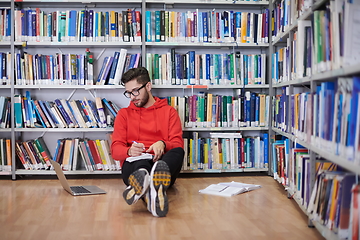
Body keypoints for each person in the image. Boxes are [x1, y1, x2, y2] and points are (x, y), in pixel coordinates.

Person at [111, 67, 184, 217]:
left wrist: (163, 144)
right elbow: (115, 149)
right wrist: (129, 151)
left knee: (177, 152)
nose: (132, 97)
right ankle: (153, 188)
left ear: (148, 86)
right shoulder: (123, 115)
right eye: (129, 93)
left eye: (136, 91)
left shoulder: (169, 112)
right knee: (141, 166)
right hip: (136, 163)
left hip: (162, 162)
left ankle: (146, 187)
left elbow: (177, 143)